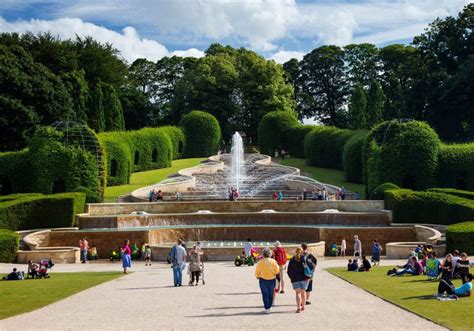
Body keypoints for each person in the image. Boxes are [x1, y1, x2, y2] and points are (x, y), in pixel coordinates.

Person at [255, 247, 279, 314]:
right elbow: (277, 270)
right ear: (270, 254)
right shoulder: (273, 261)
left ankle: (267, 307)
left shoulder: (260, 262)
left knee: (265, 294)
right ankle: (270, 305)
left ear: (263, 254)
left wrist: (257, 276)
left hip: (263, 279)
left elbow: (257, 271)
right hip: (272, 279)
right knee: (271, 293)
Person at [287, 247, 308, 313]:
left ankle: (298, 307)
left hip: (295, 279)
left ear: (295, 251)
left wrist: (291, 277)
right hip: (304, 278)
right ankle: (303, 306)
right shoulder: (304, 259)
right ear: (302, 252)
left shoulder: (292, 259)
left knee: (298, 293)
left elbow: (288, 270)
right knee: (303, 292)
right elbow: (308, 268)